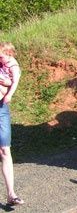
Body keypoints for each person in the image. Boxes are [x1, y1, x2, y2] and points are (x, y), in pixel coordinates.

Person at [0, 42, 24, 206]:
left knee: (4, 150)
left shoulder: (12, 65)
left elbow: (12, 81)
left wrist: (7, 85)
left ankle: (11, 194)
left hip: (1, 108)